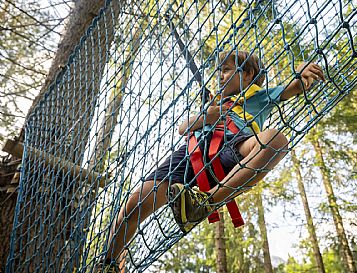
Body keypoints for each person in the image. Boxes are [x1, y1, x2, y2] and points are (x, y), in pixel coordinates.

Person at [98, 50, 325, 272]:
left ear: (247, 74)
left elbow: (293, 88)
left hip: (235, 145)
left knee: (274, 140)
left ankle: (206, 202)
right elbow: (183, 128)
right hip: (192, 152)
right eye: (219, 71)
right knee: (135, 203)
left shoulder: (259, 96)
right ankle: (110, 263)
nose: (220, 75)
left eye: (226, 70)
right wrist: (209, 114)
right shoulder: (215, 104)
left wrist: (301, 73)